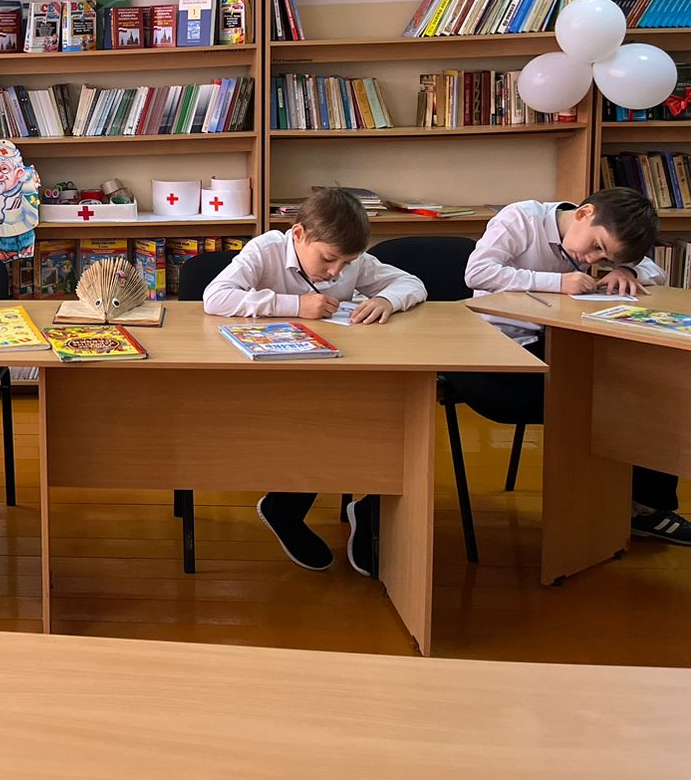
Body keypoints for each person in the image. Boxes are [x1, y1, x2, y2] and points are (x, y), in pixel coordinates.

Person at [202, 188, 426, 575]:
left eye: (346, 262)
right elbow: (215, 297)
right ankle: (286, 507)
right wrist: (294, 306)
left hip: (334, 375)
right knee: (322, 419)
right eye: (328, 259)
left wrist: (386, 300)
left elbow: (413, 283)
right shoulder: (266, 250)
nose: (336, 271)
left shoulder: (352, 263)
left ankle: (371, 510)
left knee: (388, 412)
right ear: (299, 234)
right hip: (269, 380)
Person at [464, 186, 688, 545]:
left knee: (646, 387)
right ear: (584, 213)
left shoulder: (600, 239)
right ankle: (598, 514)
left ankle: (648, 508)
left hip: (560, 342)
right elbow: (477, 273)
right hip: (500, 346)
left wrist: (626, 269)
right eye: (596, 246)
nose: (591, 259)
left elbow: (654, 271)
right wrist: (557, 282)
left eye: (604, 257)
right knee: (601, 400)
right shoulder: (522, 219)